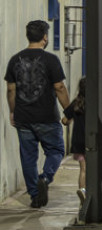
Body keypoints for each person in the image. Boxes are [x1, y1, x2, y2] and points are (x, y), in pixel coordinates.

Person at [4, 20, 70, 208]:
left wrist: (12, 111)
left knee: (28, 157)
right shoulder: (51, 60)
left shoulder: (14, 60)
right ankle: (45, 178)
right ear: (45, 37)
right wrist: (69, 111)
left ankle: (35, 196)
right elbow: (59, 87)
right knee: (56, 151)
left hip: (23, 117)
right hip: (47, 117)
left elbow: (11, 89)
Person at [61, 77, 87, 205]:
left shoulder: (76, 103)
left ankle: (83, 191)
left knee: (83, 169)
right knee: (95, 169)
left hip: (78, 140)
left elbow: (65, 120)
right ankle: (92, 194)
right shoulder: (97, 103)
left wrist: (68, 120)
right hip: (92, 140)